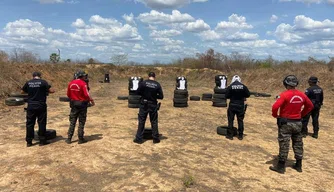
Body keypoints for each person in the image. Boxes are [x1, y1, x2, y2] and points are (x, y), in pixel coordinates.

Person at [270, 75, 313, 174]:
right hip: (298, 122)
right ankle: (298, 165)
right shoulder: (302, 95)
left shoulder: (284, 94)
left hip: (286, 122)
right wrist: (301, 114)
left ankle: (281, 166)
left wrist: (275, 115)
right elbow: (310, 106)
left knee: (284, 143)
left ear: (285, 84)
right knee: (298, 143)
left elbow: (275, 106)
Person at [22, 72, 55, 147]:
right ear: (40, 76)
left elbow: (23, 91)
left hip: (31, 106)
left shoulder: (28, 82)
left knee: (30, 123)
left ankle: (29, 142)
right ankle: (42, 141)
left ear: (33, 76)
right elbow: (51, 91)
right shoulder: (43, 82)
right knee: (42, 123)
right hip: (41, 105)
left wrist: (30, 92)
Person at [133, 72, 164, 144]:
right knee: (154, 121)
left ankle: (139, 139)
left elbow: (137, 92)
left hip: (144, 104)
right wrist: (154, 96)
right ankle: (155, 139)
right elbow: (161, 96)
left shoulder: (143, 83)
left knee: (141, 121)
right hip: (153, 104)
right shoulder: (157, 84)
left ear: (148, 76)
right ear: (154, 77)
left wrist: (144, 94)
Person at [66, 70, 95, 144]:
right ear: (82, 76)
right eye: (84, 76)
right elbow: (87, 94)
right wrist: (91, 101)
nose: (85, 77)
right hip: (82, 105)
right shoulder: (83, 83)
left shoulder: (71, 83)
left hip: (74, 104)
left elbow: (68, 94)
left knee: (72, 121)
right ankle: (80, 139)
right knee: (81, 122)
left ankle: (69, 138)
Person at [225, 75, 250, 140]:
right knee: (240, 120)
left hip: (232, 105)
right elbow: (248, 94)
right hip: (240, 106)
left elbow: (226, 96)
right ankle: (240, 135)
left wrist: (232, 96)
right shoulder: (243, 86)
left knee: (230, 120)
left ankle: (230, 135)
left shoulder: (230, 86)